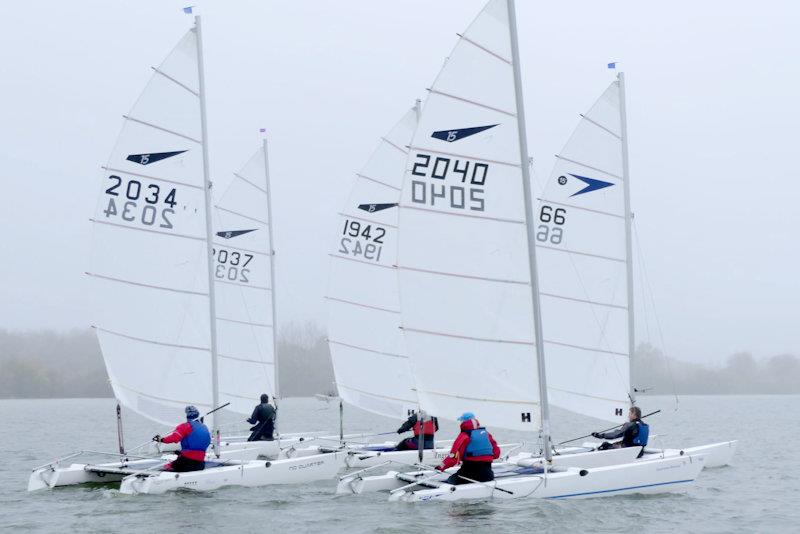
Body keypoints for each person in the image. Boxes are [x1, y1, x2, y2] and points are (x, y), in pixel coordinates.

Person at [435, 412, 500, 485]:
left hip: (468, 476)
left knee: (450, 479)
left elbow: (453, 458)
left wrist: (440, 467)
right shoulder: (486, 434)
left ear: (463, 422)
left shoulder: (463, 436)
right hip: (488, 476)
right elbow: (496, 454)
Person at [152, 405, 210, 472]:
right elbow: (203, 443)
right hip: (200, 464)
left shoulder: (185, 426)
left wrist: (161, 439)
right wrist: (182, 453)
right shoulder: (204, 427)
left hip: (186, 462)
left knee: (166, 467)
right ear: (198, 415)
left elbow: (174, 438)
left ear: (187, 416)